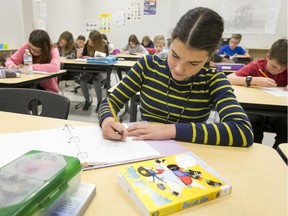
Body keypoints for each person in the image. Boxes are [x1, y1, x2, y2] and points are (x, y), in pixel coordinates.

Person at [98, 7, 254, 147]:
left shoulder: (213, 79)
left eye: (193, 63)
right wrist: (107, 120)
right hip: (143, 150)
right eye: (175, 55)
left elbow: (243, 130)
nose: (179, 69)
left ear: (209, 56)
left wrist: (170, 130)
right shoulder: (148, 66)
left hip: (190, 157)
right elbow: (110, 102)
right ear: (171, 41)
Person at [227, 38, 287, 149]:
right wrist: (252, 80)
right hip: (257, 109)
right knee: (252, 127)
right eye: (274, 66)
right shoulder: (256, 66)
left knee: (286, 129)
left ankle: (278, 156)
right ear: (267, 57)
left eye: (282, 68)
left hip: (279, 110)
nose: (278, 71)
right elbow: (228, 78)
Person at [80, 30, 109, 112]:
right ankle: (88, 101)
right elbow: (84, 54)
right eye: (89, 40)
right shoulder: (87, 44)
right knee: (82, 80)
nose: (89, 42)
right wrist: (83, 56)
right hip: (91, 70)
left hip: (103, 71)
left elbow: (106, 60)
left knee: (96, 80)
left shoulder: (105, 46)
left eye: (92, 41)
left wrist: (90, 57)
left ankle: (100, 103)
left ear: (97, 42)